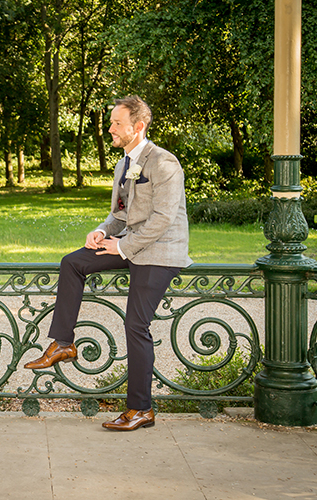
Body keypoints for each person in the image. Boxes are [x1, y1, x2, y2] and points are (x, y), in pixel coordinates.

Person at [24, 95, 192, 431]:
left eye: (117, 123)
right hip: (128, 245)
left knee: (135, 326)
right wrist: (100, 232)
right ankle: (62, 343)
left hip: (160, 253)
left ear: (138, 127)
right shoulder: (124, 164)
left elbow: (162, 219)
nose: (110, 128)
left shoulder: (164, 163)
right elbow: (119, 214)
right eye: (112, 122)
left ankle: (141, 410)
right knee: (72, 262)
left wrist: (123, 247)